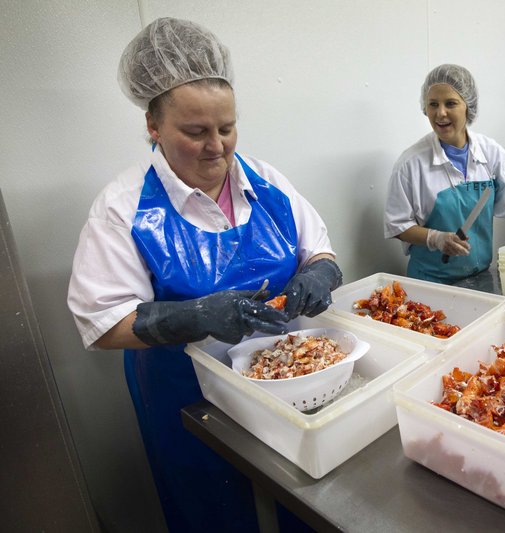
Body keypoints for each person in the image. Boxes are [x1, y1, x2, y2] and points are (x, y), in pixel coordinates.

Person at [67, 17, 341, 532]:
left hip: (285, 382)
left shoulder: (268, 182)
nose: (216, 146)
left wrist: (319, 277)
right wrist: (196, 316)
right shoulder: (124, 208)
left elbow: (320, 253)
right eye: (195, 132)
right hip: (185, 397)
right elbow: (102, 324)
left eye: (227, 128)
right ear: (153, 126)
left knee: (307, 502)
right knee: (210, 513)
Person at [384, 64, 505, 284]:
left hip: (479, 277)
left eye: (450, 103)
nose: (440, 113)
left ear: (468, 107)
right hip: (430, 281)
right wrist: (435, 238)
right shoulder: (410, 163)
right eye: (433, 104)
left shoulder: (490, 152)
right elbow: (398, 225)